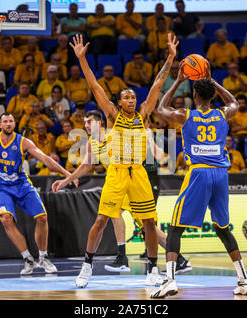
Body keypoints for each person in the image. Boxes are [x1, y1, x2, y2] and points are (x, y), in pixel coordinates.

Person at [68, 33, 179, 288]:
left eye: (133, 97)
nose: (131, 100)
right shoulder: (111, 114)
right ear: (119, 102)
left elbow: (157, 84)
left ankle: (152, 270)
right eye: (126, 97)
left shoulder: (142, 115)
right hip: (117, 172)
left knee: (149, 222)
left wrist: (171, 57)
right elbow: (95, 85)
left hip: (138, 172)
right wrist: (82, 60)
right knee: (101, 220)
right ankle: (87, 266)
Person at [150, 60, 247, 298]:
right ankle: (244, 280)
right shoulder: (222, 114)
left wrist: (178, 80)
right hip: (221, 174)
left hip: (198, 172)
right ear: (212, 94)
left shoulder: (185, 115)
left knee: (175, 228)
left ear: (194, 95)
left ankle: (169, 280)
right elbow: (234, 102)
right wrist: (213, 81)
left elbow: (160, 108)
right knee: (222, 228)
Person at [0, 112, 77, 275]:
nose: (8, 123)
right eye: (5, 121)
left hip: (22, 185)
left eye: (11, 121)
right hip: (1, 187)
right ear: (0, 125)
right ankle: (28, 259)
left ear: (14, 124)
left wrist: (67, 174)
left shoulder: (23, 142)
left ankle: (43, 257)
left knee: (42, 218)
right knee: (6, 220)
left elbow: (45, 158)